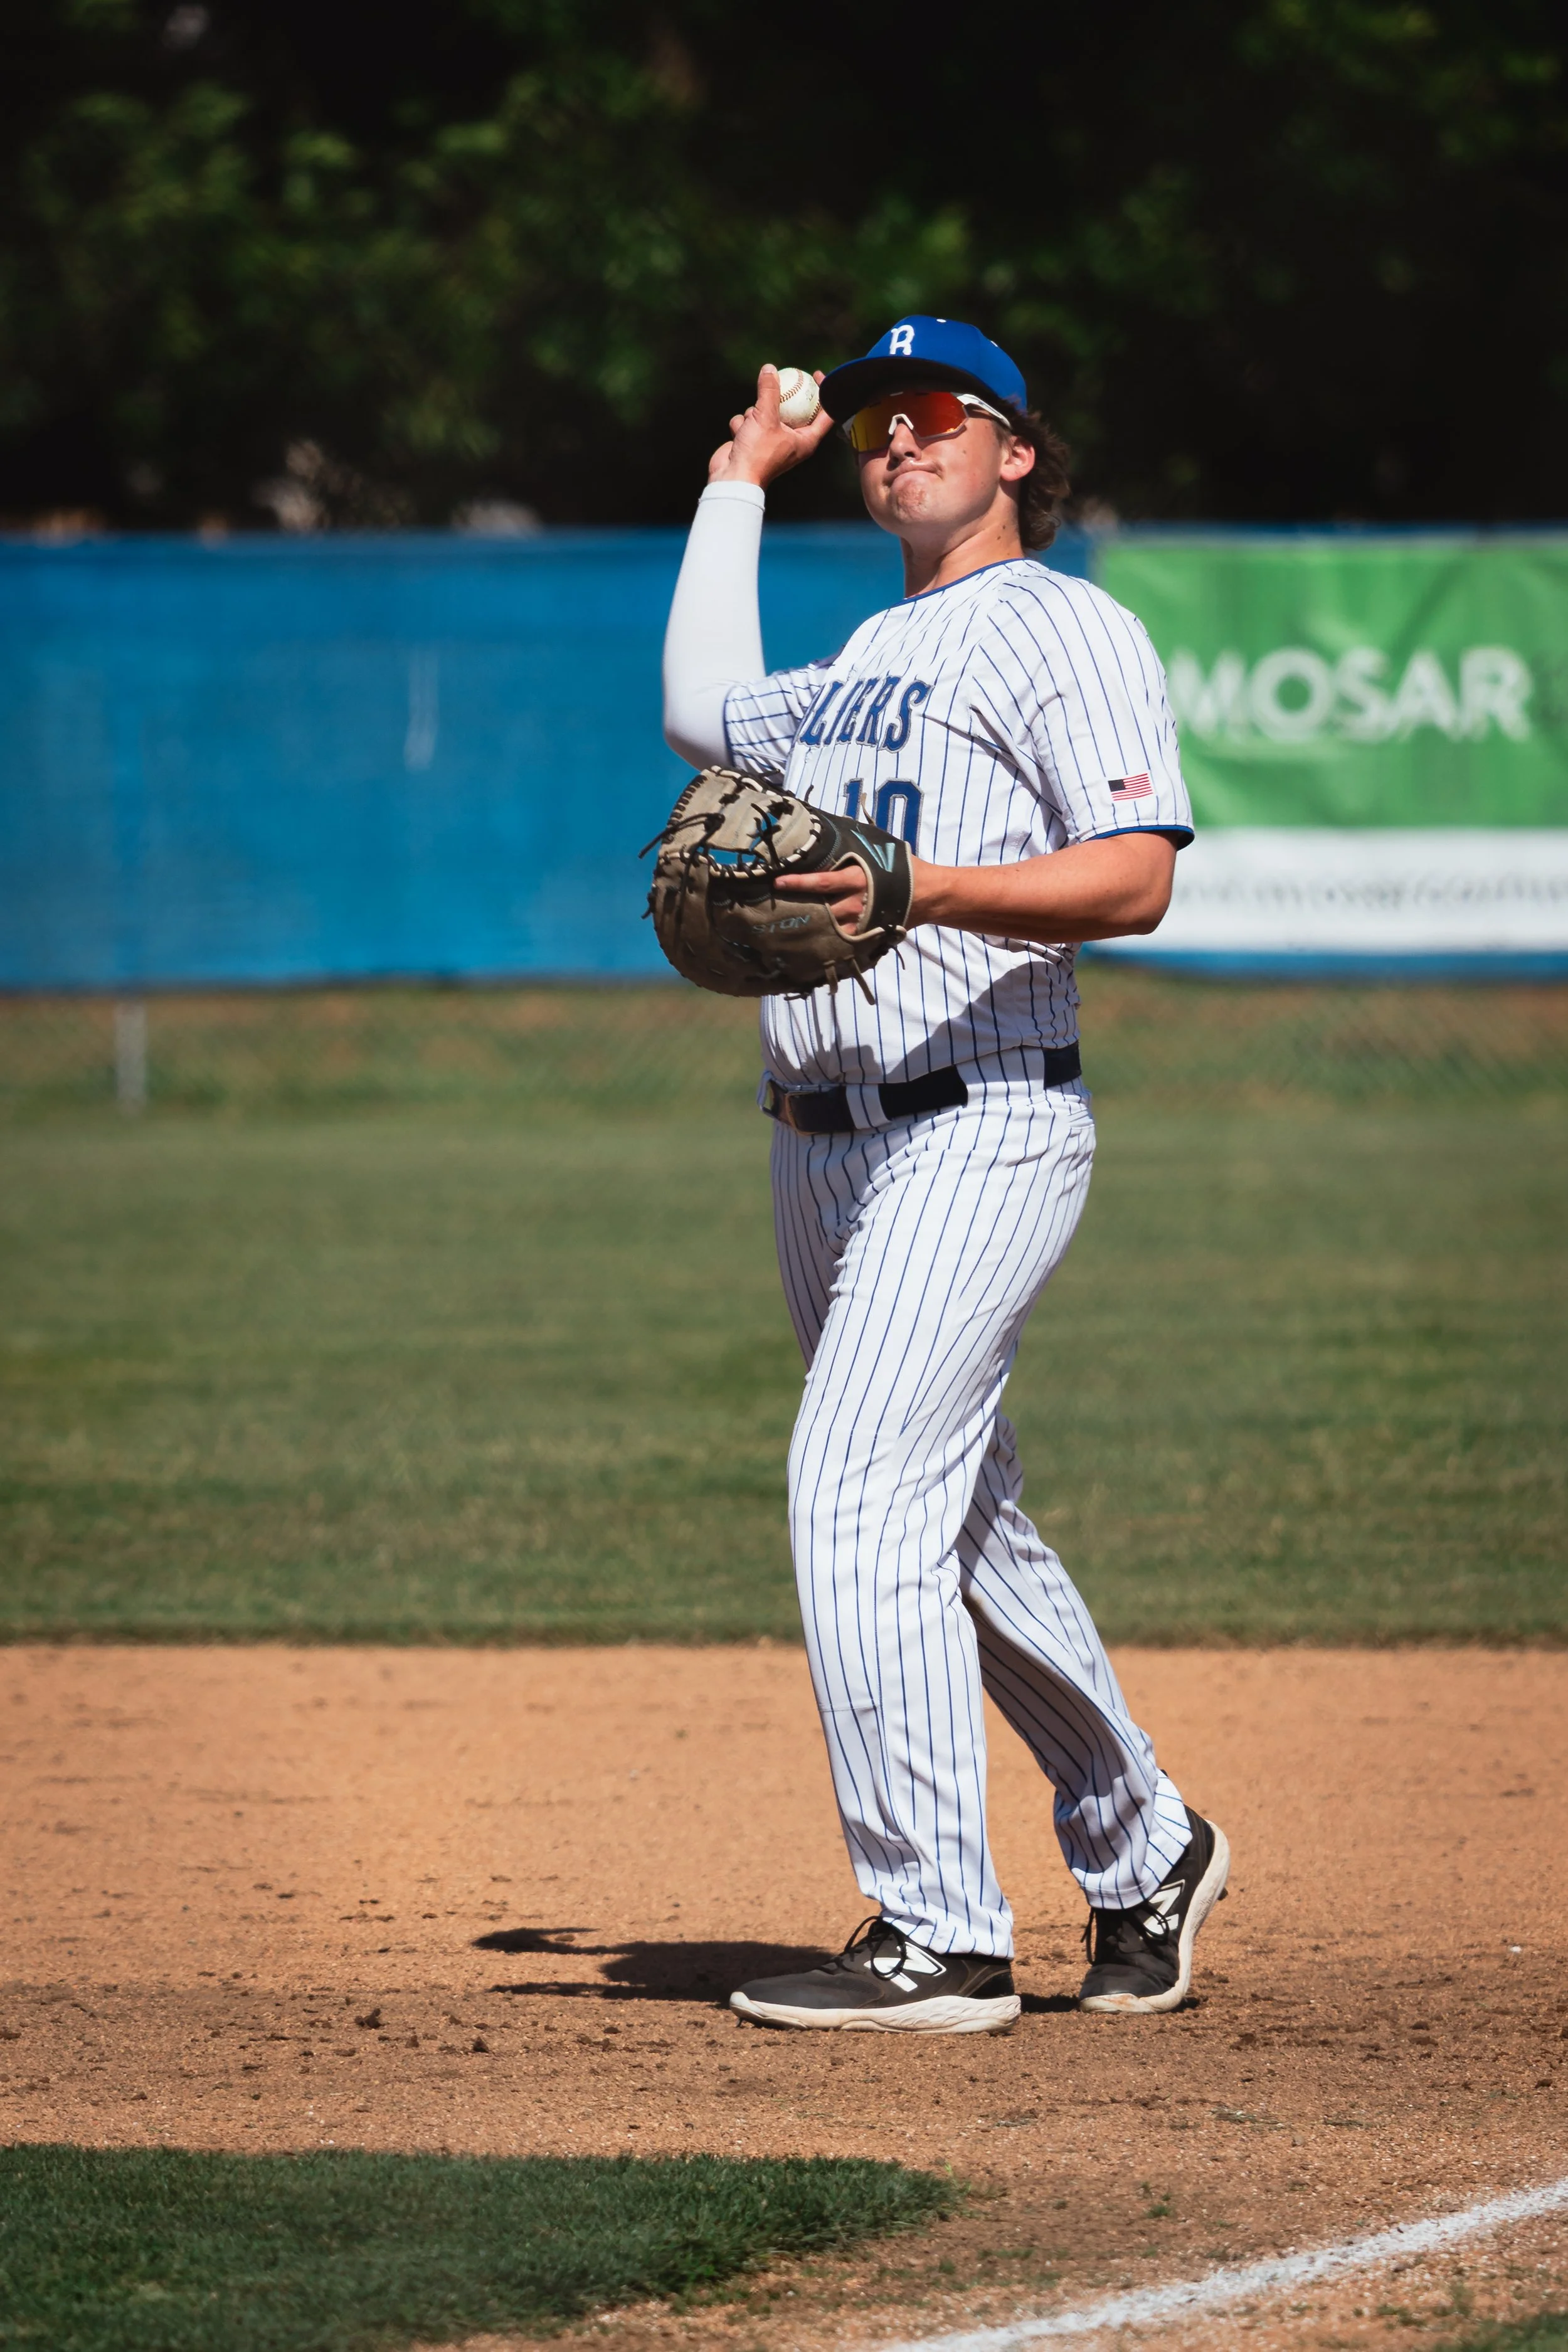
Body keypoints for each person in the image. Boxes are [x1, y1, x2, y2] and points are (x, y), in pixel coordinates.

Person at [660, 316, 1227, 2034]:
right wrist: (737, 484)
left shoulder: (1065, 626)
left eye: (936, 414)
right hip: (817, 1141)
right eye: (877, 423)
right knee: (958, 1527)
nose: (898, 438)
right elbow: (700, 716)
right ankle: (1146, 1846)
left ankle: (938, 1931)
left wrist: (924, 887)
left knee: (852, 1486)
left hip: (980, 1117)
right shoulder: (859, 659)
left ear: (1015, 452)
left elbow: (1135, 877)